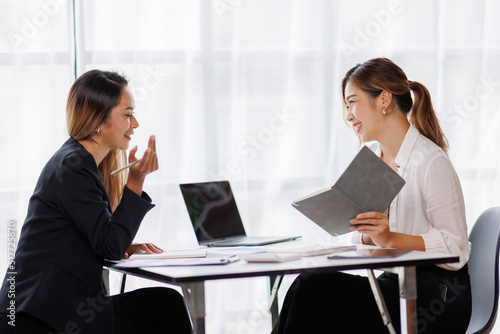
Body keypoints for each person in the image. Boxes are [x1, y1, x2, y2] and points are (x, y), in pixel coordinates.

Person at [271, 58, 472, 333]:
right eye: (346, 106)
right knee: (306, 286)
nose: (348, 115)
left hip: (435, 298)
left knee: (313, 290)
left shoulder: (430, 161)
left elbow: (455, 247)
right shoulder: (372, 163)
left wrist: (388, 237)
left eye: (352, 102)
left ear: (384, 100)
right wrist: (367, 230)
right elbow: (367, 241)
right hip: (394, 285)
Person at [0, 70, 193, 333]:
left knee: (163, 305)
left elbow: (102, 241)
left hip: (54, 307)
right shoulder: (73, 166)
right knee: (165, 306)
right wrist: (135, 181)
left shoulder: (79, 162)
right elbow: (109, 245)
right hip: (38, 314)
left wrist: (125, 244)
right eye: (127, 114)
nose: (135, 123)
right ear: (98, 120)